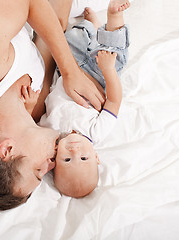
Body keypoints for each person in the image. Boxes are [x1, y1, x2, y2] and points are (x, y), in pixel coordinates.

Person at [0, 0, 106, 210]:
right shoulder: (31, 110)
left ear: (7, 149)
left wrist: (71, 71)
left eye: (38, 171)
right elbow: (53, 25)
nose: (51, 165)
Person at [25, 0, 130, 198]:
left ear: (54, 160)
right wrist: (107, 71)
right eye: (83, 157)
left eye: (67, 160)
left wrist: (30, 104)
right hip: (98, 74)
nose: (75, 151)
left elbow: (32, 120)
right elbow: (114, 101)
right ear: (96, 157)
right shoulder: (96, 132)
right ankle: (113, 15)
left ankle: (92, 25)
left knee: (74, 36)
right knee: (115, 53)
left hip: (68, 66)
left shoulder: (50, 131)